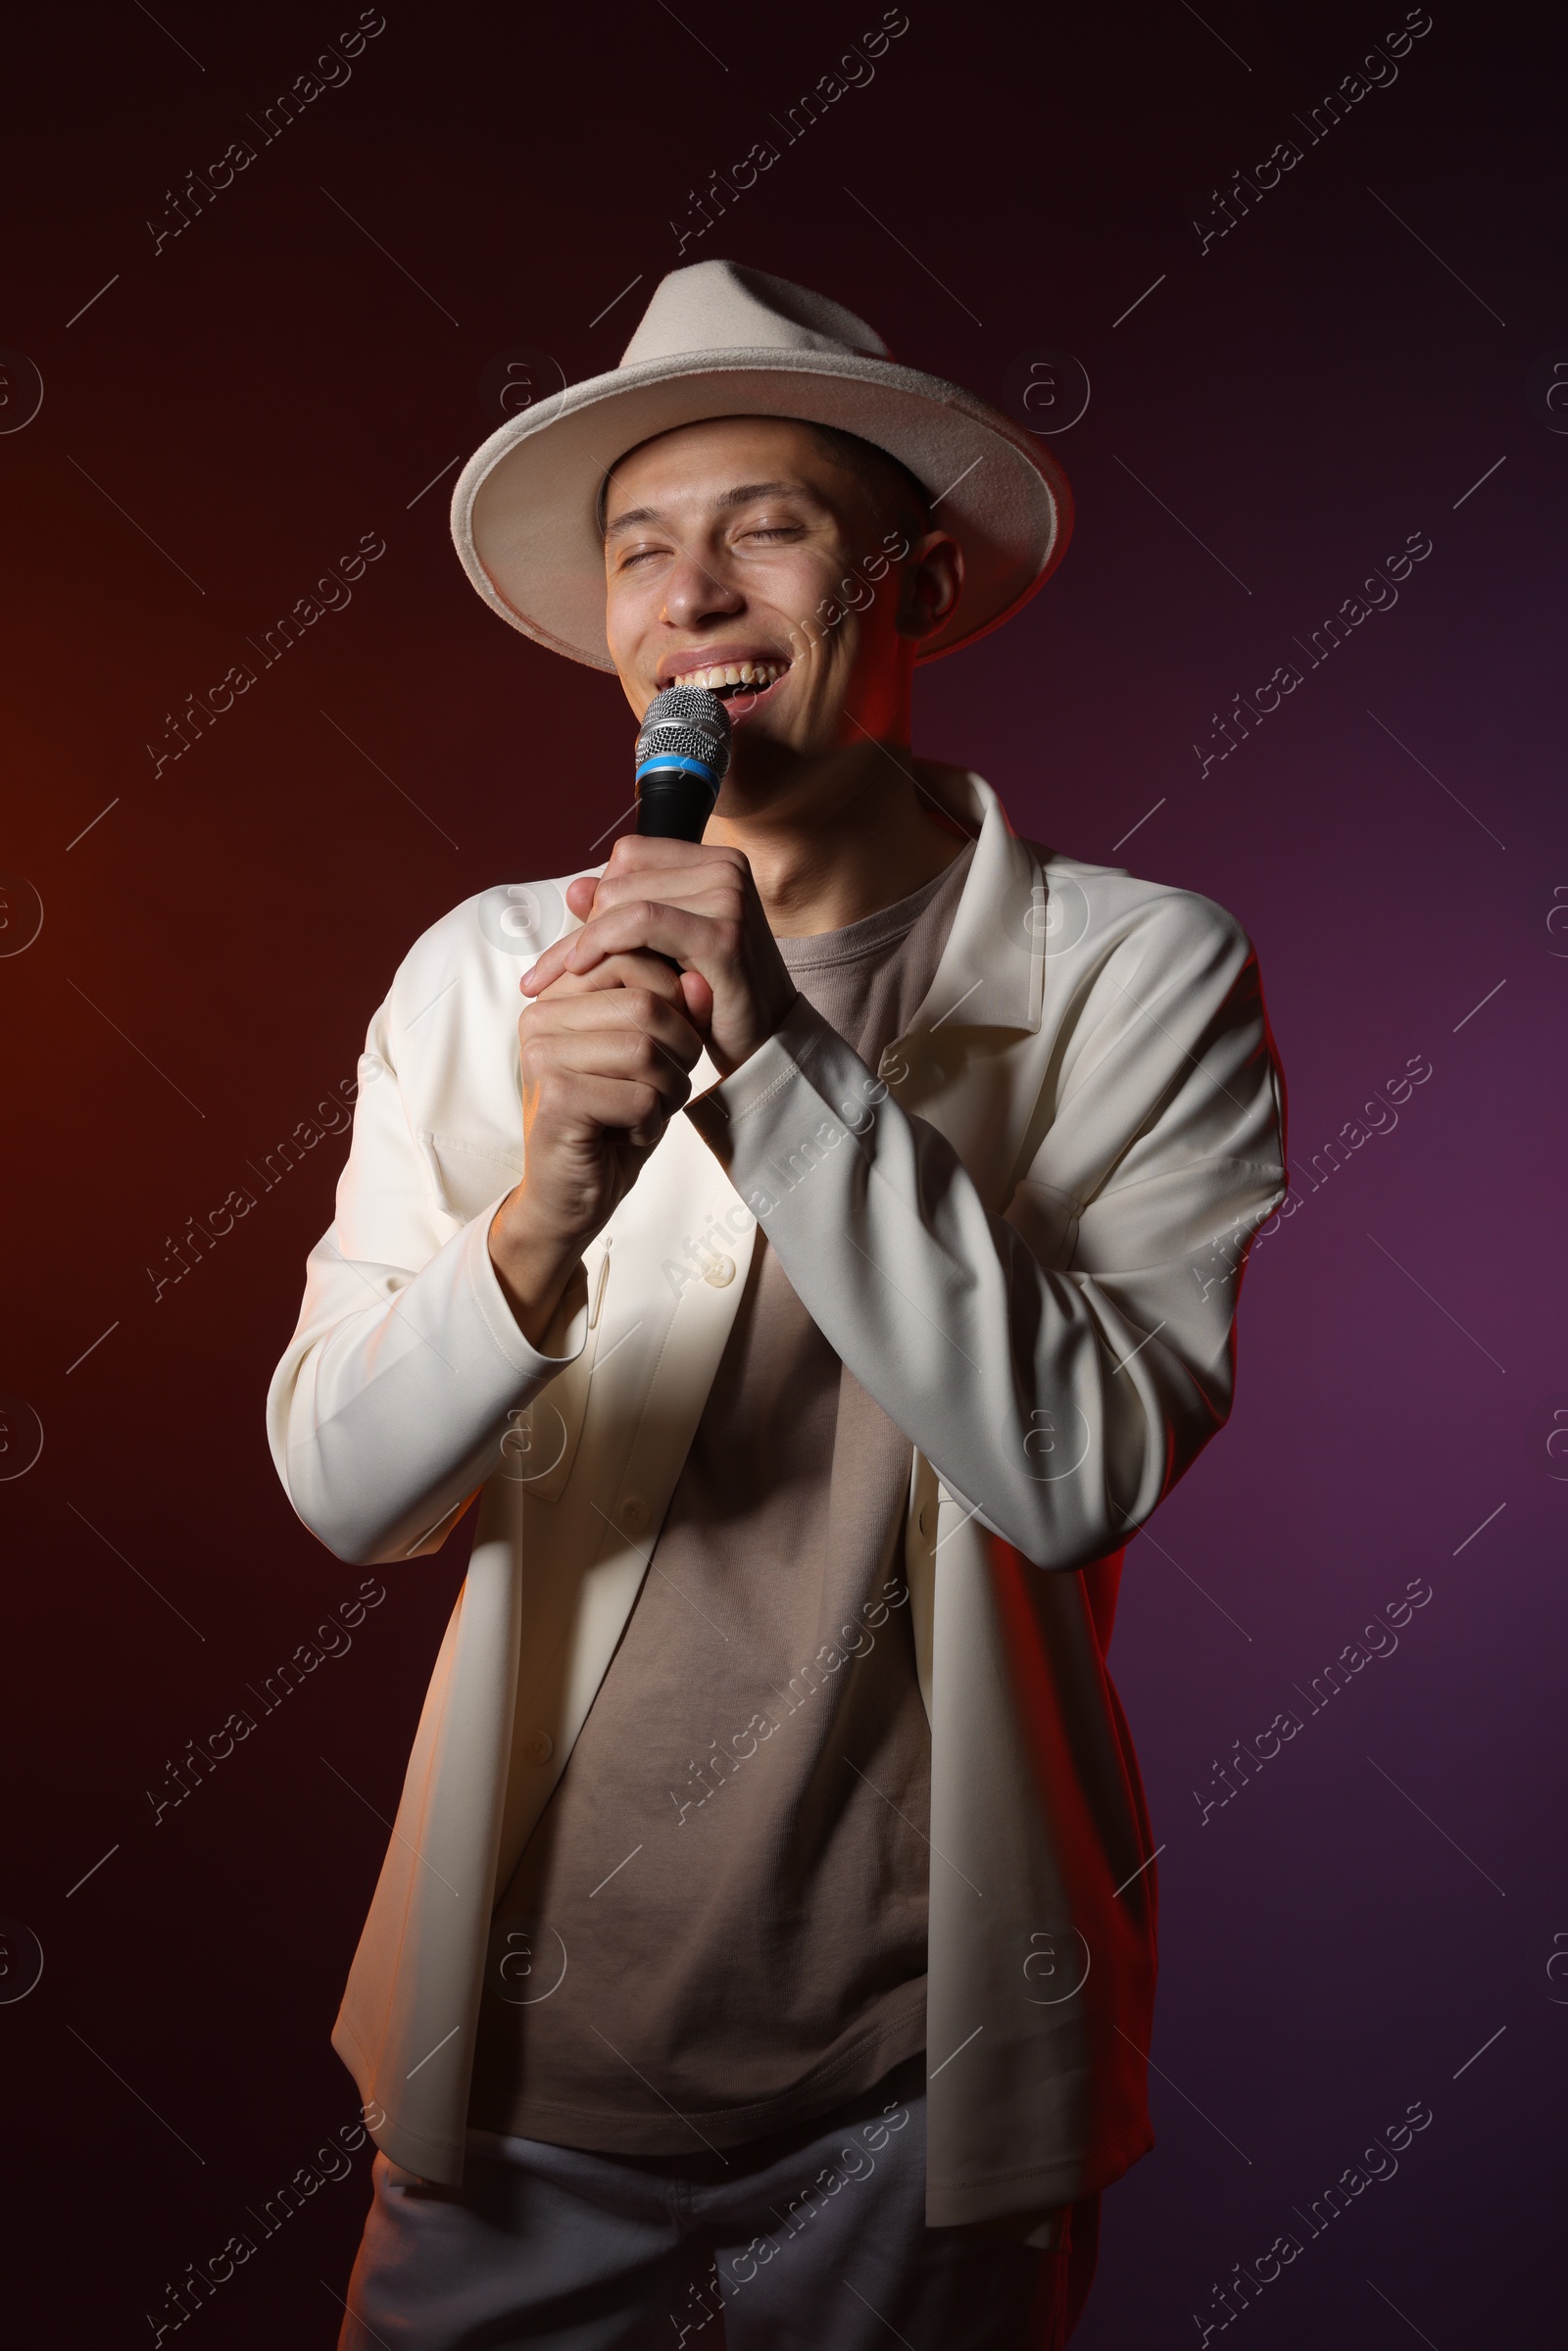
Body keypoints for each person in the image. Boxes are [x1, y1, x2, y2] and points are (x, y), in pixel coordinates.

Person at [268, 260, 1287, 2349]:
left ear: (902, 584)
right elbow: (348, 1491)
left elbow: (1072, 1466)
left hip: (919, 2090)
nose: (693, 593)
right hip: (516, 2076)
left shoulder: (1134, 974)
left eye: (768, 529)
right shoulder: (485, 977)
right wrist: (538, 1213)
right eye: (643, 548)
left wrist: (777, 1050)